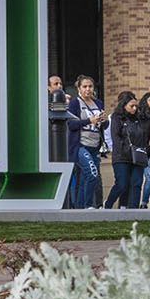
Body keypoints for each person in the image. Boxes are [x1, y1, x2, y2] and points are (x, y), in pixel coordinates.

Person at [66, 75, 104, 208]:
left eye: (90, 86)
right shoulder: (75, 103)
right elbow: (71, 124)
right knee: (92, 174)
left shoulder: (98, 103)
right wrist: (89, 121)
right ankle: (89, 206)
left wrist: (105, 121)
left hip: (95, 145)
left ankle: (80, 208)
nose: (88, 89)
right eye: (85, 86)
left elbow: (101, 126)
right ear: (79, 89)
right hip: (81, 145)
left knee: (84, 179)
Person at [103, 90, 145, 208]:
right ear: (124, 105)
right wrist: (126, 151)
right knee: (122, 184)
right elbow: (116, 138)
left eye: (136, 105)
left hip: (137, 157)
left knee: (136, 184)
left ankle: (133, 210)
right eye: (132, 106)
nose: (135, 108)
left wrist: (142, 150)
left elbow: (143, 135)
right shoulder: (116, 118)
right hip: (122, 157)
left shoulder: (138, 118)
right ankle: (108, 204)